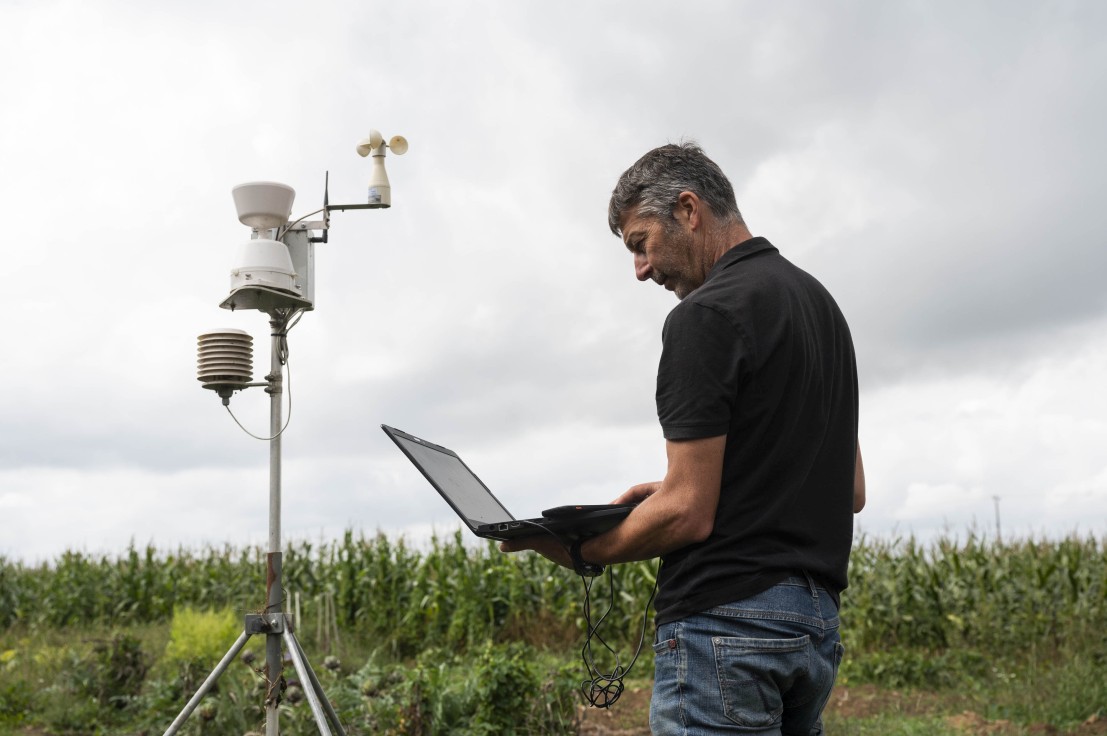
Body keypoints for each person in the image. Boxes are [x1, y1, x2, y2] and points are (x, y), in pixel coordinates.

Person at [501, 141, 865, 735]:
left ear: (689, 211)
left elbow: (689, 515)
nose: (641, 269)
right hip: (813, 628)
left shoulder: (706, 315)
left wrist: (579, 550)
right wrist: (675, 485)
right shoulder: (821, 308)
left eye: (640, 244)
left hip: (728, 627)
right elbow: (846, 488)